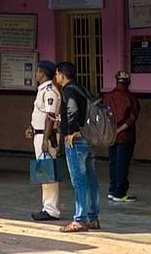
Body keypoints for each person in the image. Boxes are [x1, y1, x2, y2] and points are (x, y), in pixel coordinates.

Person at [54, 62, 101, 232]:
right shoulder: (82, 88)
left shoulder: (69, 90)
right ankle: (93, 218)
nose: (56, 77)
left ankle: (79, 219)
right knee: (91, 179)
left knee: (79, 180)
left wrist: (69, 132)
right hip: (87, 138)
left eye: (57, 74)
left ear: (62, 74)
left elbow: (72, 110)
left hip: (76, 140)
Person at [27, 61, 61, 221]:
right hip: (39, 134)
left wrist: (46, 139)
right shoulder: (42, 91)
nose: (36, 74)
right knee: (44, 173)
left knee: (47, 173)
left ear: (43, 73)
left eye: (38, 72)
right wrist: (31, 128)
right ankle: (47, 207)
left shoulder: (49, 92)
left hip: (45, 136)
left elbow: (50, 117)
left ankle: (51, 209)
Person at [102, 70, 140, 202]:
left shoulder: (107, 96)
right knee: (122, 164)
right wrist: (119, 130)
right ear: (128, 82)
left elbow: (103, 115)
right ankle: (120, 193)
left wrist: (112, 131)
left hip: (111, 136)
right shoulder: (131, 98)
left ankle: (112, 190)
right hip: (125, 137)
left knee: (113, 163)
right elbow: (131, 119)